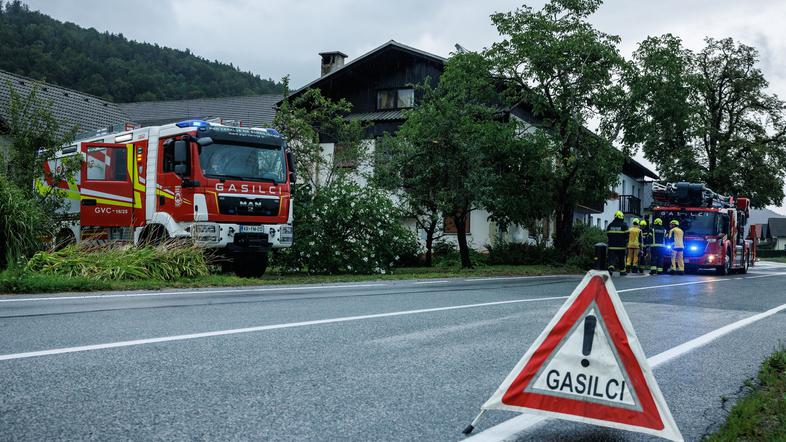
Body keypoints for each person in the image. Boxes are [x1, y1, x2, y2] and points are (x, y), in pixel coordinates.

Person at [606, 211, 629, 276]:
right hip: (621, 246)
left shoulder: (610, 225)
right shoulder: (624, 225)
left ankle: (610, 268)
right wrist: (626, 242)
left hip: (612, 246)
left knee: (611, 258)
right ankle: (622, 271)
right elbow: (627, 235)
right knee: (621, 259)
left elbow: (608, 234)